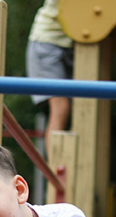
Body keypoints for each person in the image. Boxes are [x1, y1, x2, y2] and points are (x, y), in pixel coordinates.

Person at [26, 0, 75, 136]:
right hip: (47, 43)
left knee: (81, 105)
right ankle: (55, 157)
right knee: (61, 106)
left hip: (71, 46)